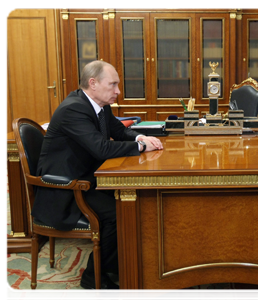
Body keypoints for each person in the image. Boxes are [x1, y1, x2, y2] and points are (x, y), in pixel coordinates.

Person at [33, 60, 163, 297]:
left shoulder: (99, 105)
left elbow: (119, 130)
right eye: (113, 84)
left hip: (87, 179)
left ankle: (116, 265)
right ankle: (94, 277)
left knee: (134, 202)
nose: (118, 91)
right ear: (93, 84)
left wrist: (140, 135)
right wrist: (141, 147)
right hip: (66, 188)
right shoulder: (74, 108)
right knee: (119, 212)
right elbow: (102, 149)